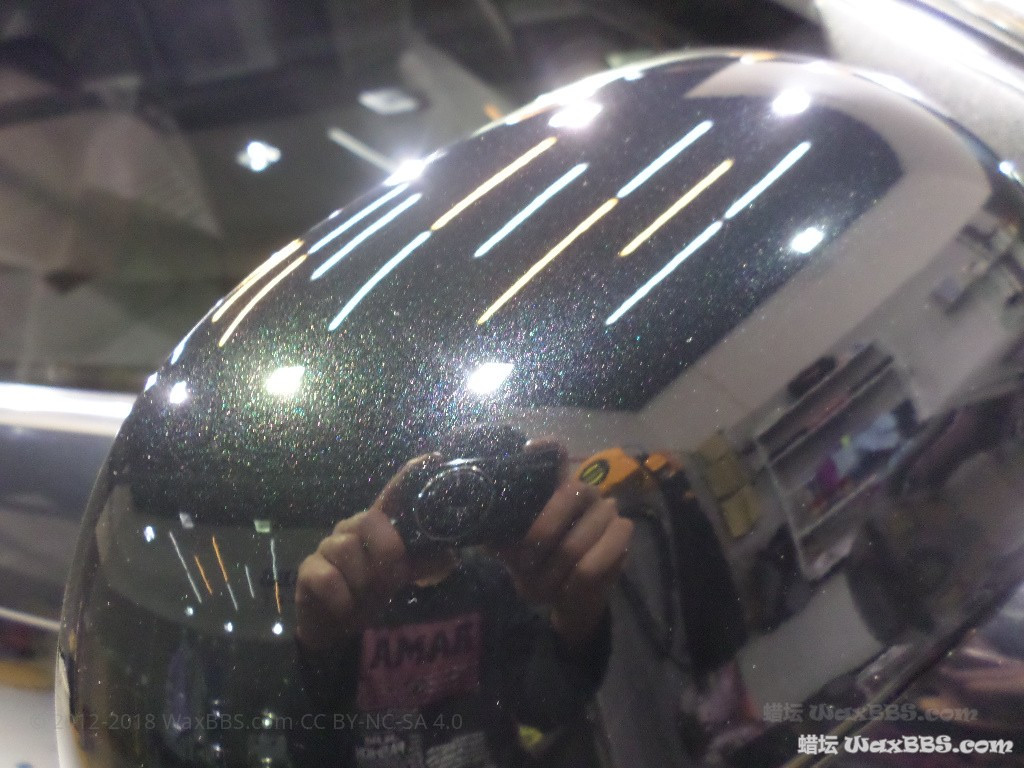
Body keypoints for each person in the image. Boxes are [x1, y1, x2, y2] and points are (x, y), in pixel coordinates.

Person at [294, 441, 634, 768]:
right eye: (421, 487)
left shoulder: (491, 581)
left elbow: (546, 706)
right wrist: (316, 646)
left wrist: (578, 611)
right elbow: (311, 746)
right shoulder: (354, 599)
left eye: (446, 484)